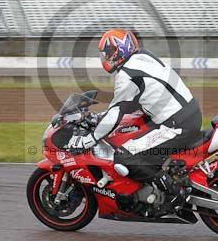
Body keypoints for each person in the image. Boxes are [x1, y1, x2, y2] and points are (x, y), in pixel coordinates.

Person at [65, 29, 202, 205]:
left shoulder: (126, 75)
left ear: (120, 50)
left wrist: (90, 139)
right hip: (186, 113)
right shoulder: (144, 56)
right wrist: (100, 118)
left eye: (108, 53)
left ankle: (174, 194)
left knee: (125, 156)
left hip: (176, 123)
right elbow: (136, 100)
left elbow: (117, 112)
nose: (106, 58)